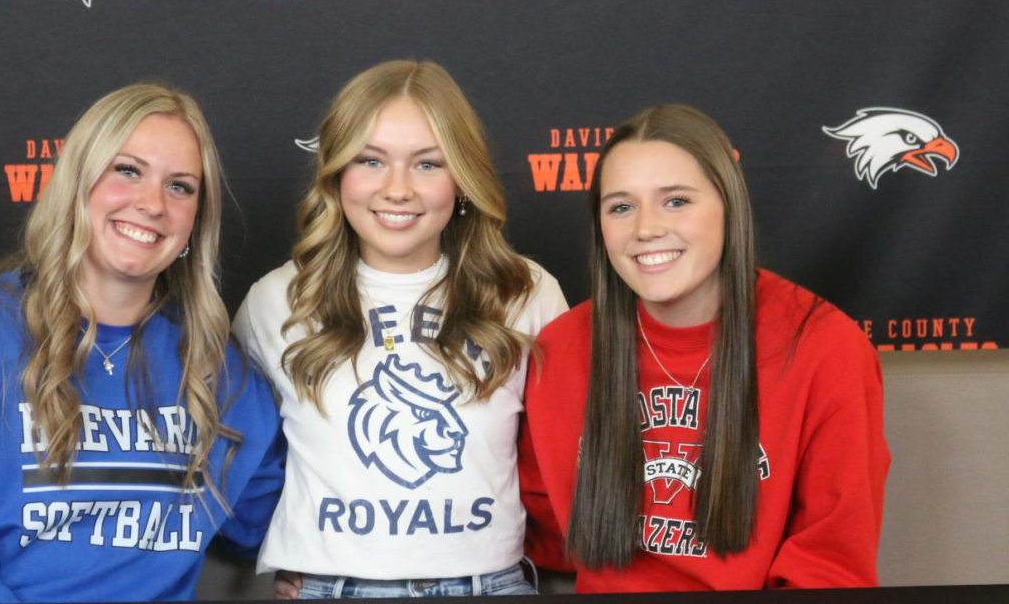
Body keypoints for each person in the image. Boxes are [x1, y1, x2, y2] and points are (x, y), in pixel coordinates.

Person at [0, 83, 286, 603]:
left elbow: (277, 522)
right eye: (128, 170)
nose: (152, 203)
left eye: (180, 186)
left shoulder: (217, 370)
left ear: (195, 223)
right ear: (77, 183)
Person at [518, 103, 889, 591]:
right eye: (621, 206)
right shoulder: (562, 350)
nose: (646, 228)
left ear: (728, 205)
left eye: (676, 201)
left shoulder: (824, 347)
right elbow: (539, 527)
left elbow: (830, 564)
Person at [233, 60, 568, 598]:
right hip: (332, 586)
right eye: (371, 160)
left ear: (463, 177)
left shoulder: (525, 291)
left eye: (428, 164)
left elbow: (563, 458)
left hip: (488, 584)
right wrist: (294, 546)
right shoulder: (277, 300)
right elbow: (243, 452)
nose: (397, 189)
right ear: (337, 173)